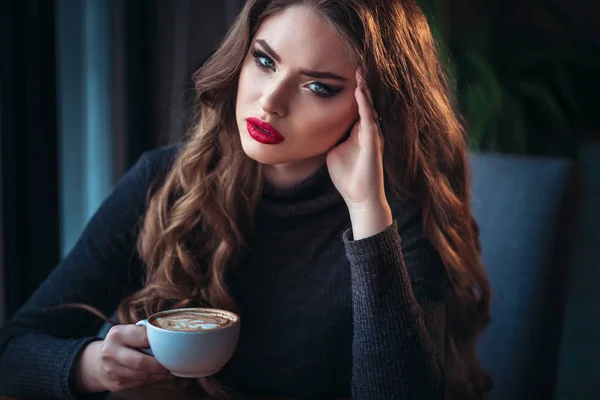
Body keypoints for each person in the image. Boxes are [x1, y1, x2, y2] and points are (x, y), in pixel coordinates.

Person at [0, 0, 493, 399]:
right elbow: (14, 350)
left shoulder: (396, 218)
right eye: (264, 60)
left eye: (318, 87)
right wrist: (92, 367)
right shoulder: (165, 180)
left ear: (374, 111)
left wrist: (367, 213)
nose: (271, 101)